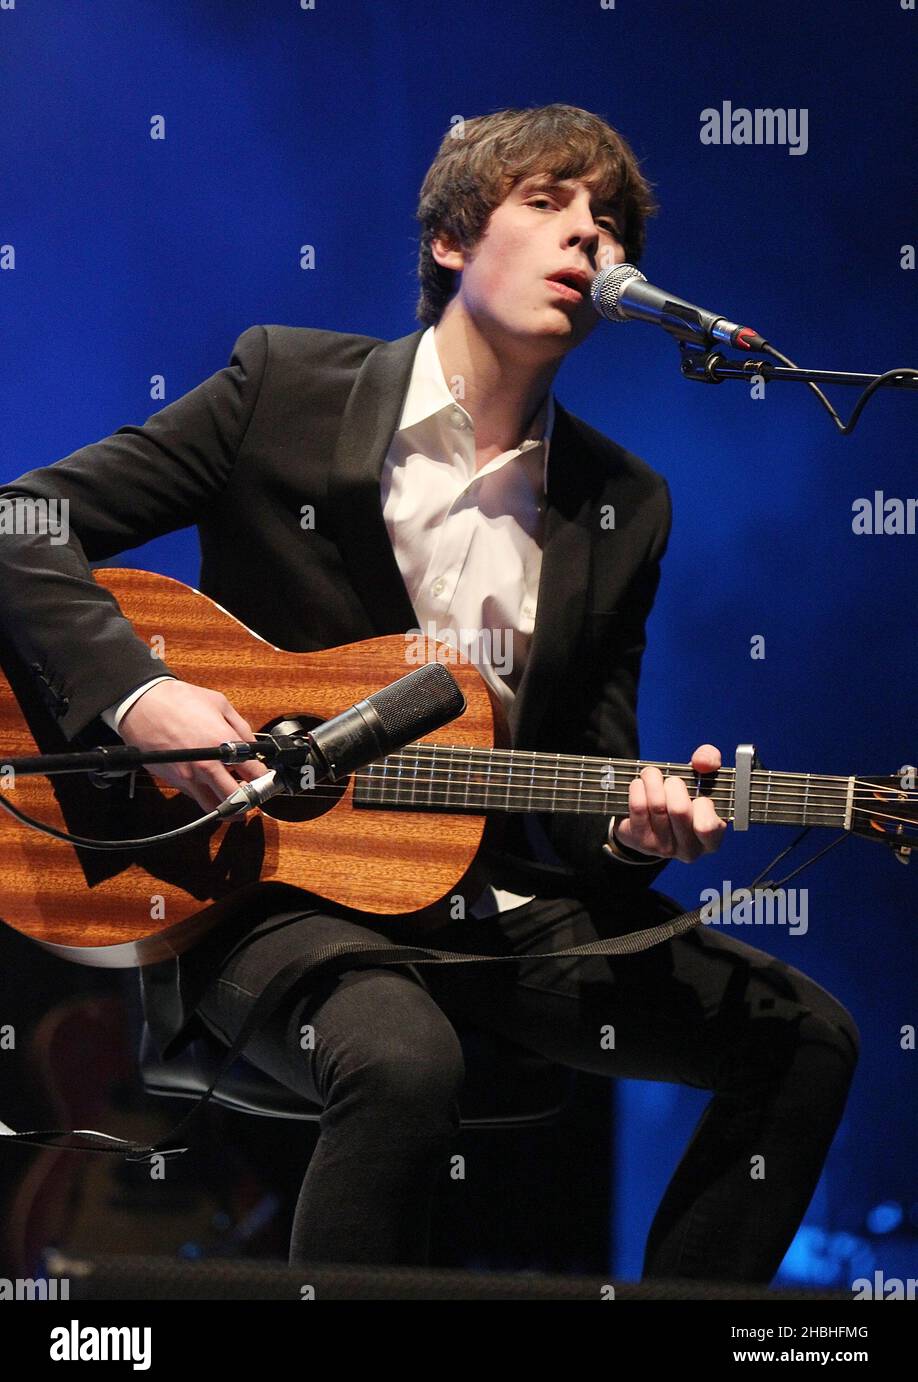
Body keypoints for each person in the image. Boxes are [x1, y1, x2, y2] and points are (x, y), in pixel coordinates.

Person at [0, 104, 858, 1282]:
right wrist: (138, 693)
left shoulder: (626, 504)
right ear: (454, 238)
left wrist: (633, 827)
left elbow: (585, 786)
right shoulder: (283, 387)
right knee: (404, 1065)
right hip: (256, 887)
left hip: (485, 904)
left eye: (609, 223)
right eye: (550, 204)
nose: (590, 240)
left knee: (805, 1037)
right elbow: (21, 525)